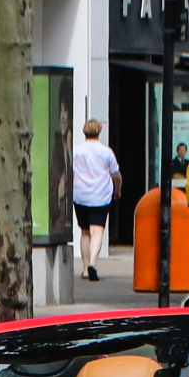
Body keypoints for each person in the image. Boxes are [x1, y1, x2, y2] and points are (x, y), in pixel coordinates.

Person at [70, 118, 120, 282]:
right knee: (97, 231)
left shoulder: (75, 151)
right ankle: (93, 263)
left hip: (81, 195)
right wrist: (117, 190)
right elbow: (116, 176)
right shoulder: (106, 152)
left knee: (85, 232)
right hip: (100, 196)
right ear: (99, 131)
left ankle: (85, 269)